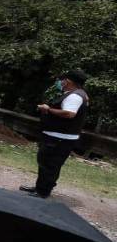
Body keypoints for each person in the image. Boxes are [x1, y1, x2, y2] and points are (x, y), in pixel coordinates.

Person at [21, 69, 89, 198]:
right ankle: (40, 187)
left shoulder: (75, 96)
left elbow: (70, 113)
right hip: (59, 137)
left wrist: (48, 109)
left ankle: (42, 192)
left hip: (59, 138)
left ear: (68, 81)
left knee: (49, 165)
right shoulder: (79, 94)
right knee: (47, 163)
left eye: (63, 80)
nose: (60, 82)